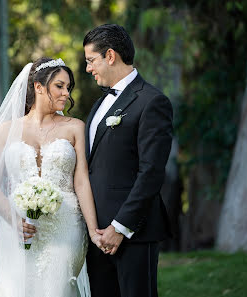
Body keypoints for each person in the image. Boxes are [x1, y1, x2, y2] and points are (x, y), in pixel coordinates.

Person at [0, 57, 103, 297]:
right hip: (17, 226)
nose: (66, 93)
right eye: (59, 86)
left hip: (65, 226)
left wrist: (93, 229)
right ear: (38, 86)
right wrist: (12, 218)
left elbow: (81, 181)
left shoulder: (75, 127)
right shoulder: (6, 130)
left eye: (68, 87)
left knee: (56, 288)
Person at [83, 24, 173, 297]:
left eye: (91, 61)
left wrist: (120, 227)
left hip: (134, 233)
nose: (88, 69)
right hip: (96, 236)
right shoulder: (99, 105)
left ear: (110, 56)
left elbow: (152, 172)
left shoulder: (152, 101)